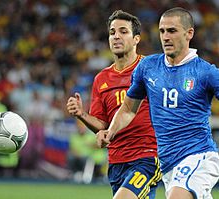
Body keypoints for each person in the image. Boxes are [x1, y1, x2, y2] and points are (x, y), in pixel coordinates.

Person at [98, 7, 219, 199]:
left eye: (172, 31)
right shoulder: (148, 68)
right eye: (162, 31)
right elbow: (128, 110)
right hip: (168, 165)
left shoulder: (205, 72)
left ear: (189, 33)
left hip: (199, 156)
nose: (165, 37)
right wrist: (111, 131)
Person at [66, 10, 161, 199]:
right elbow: (102, 125)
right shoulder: (101, 79)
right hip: (116, 160)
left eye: (123, 31)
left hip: (147, 156)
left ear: (136, 39)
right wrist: (81, 114)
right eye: (112, 32)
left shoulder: (152, 69)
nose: (116, 36)